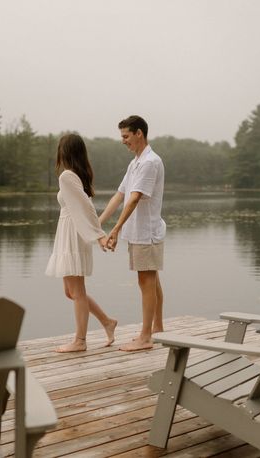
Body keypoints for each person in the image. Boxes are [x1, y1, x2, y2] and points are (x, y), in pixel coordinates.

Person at [45, 133, 117, 352]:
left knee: (76, 291)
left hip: (73, 234)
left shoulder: (67, 176)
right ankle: (107, 321)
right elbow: (86, 207)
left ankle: (80, 341)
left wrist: (98, 235)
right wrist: (98, 234)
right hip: (71, 232)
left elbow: (86, 208)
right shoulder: (77, 176)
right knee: (71, 291)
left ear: (64, 152)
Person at [99, 115, 165, 351]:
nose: (123, 141)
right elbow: (120, 195)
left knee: (146, 280)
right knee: (151, 279)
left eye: (126, 136)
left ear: (139, 133)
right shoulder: (136, 162)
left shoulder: (149, 162)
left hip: (146, 232)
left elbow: (135, 198)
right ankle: (157, 329)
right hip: (141, 232)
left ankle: (146, 337)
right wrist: (99, 223)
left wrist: (115, 230)